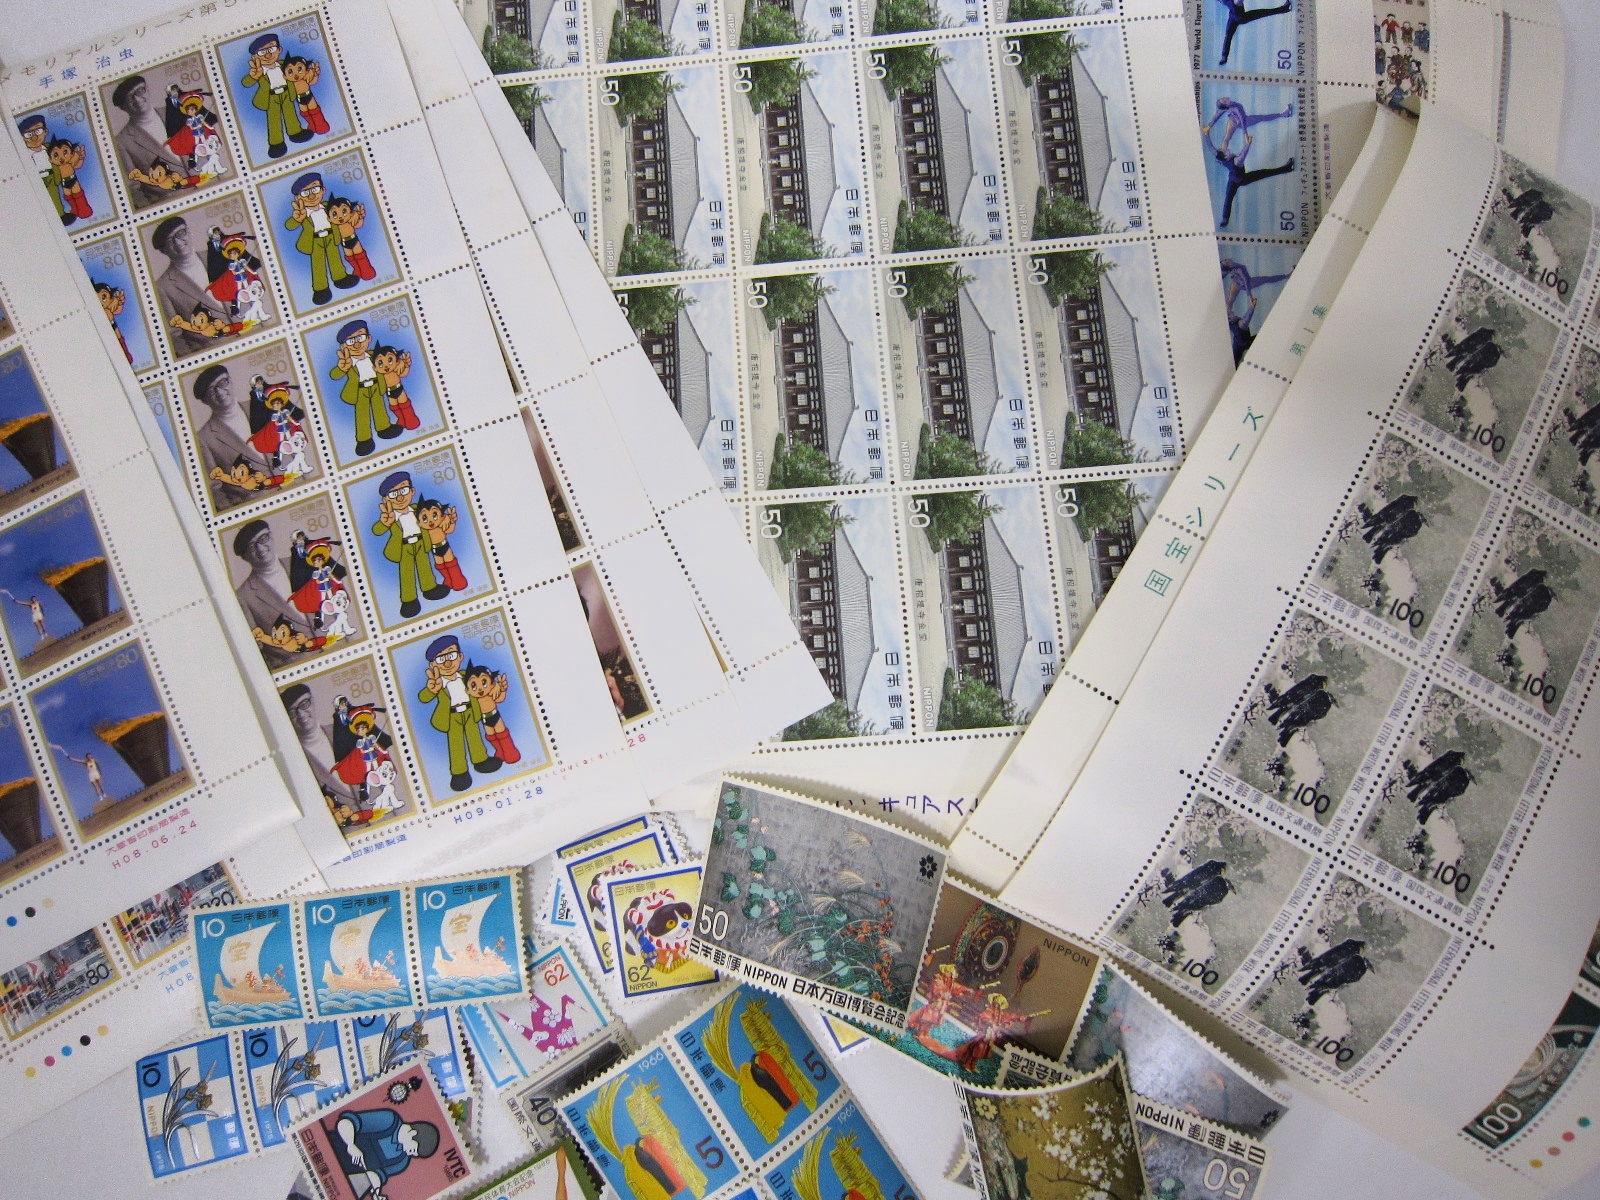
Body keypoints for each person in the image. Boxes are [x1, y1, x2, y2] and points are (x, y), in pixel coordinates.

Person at [418, 635, 501, 792]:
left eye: (451, 655)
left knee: (475, 737)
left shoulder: (465, 675)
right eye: (441, 659)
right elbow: (423, 698)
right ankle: (459, 773)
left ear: (460, 656)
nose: (447, 663)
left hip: (470, 711)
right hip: (451, 717)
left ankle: (481, 761)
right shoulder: (437, 683)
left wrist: (495, 685)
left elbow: (482, 680)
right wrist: (431, 690)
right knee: (456, 745)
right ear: (433, 665)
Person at [231, 519, 311, 669]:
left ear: (272, 536)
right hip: (300, 667)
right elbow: (257, 649)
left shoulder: (305, 562)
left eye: (263, 538)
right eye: (251, 547)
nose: (260, 548)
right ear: (244, 557)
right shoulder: (243, 596)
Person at [190, 364, 272, 510]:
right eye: (211, 391)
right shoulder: (203, 438)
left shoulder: (263, 405)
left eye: (223, 383)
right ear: (204, 401)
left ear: (231, 381)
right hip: (258, 505)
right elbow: (215, 489)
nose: (220, 392)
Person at [373, 471, 450, 618]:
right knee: (406, 573)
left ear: (412, 491)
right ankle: (409, 601)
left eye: (403, 490)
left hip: (421, 542)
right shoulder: (390, 516)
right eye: (393, 494)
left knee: (425, 566)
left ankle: (430, 588)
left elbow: (433, 513)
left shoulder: (417, 508)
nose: (400, 497)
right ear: (386, 500)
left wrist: (445, 518)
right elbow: (376, 530)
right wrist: (385, 523)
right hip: (403, 548)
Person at [108, 75, 190, 207]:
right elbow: (133, 189)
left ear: (148, 90)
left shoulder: (178, 111)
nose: (137, 99)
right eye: (129, 98)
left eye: (140, 91)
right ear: (123, 107)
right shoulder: (122, 141)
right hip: (172, 204)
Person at [150, 216, 228, 355]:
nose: (178, 242)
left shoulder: (220, 255)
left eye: (180, 233)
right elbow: (175, 336)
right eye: (169, 240)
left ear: (189, 232)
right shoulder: (163, 287)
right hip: (216, 351)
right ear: (163, 250)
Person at [330, 1106, 440, 1199]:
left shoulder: (402, 1161)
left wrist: (376, 1192)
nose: (412, 1155)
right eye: (414, 1150)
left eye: (415, 1155)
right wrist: (350, 1144)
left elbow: (376, 1175)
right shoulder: (389, 1120)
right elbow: (347, 1121)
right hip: (331, 1149)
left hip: (340, 1177)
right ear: (413, 1133)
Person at [285, 171, 360, 304]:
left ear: (323, 190)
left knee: (335, 258)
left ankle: (340, 278)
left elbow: (342, 212)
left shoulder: (328, 205)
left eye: (315, 189)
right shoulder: (301, 213)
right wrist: (297, 219)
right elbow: (289, 226)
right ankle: (321, 290)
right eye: (305, 192)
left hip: (331, 236)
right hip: (314, 241)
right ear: (298, 198)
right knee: (318, 265)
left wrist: (355, 215)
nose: (312, 195)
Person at [331, 321, 402, 454]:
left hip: (376, 386)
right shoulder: (347, 362)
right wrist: (342, 368)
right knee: (362, 415)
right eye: (350, 341)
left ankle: (384, 428)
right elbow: (334, 375)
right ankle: (364, 440)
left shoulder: (374, 354)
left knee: (380, 408)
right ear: (343, 346)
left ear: (369, 338)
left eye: (360, 337)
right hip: (359, 391)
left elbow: (387, 362)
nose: (357, 344)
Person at [281, 682, 356, 809]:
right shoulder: (293, 760)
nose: (301, 714)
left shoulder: (346, 731)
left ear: (313, 701)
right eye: (292, 712)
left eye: (304, 704)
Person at [241, 33, 314, 158]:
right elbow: (245, 83)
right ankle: (276, 144)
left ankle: (296, 133)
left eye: (271, 49)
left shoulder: (285, 64)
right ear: (255, 57)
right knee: (274, 120)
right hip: (271, 98)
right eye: (262, 52)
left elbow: (298, 70)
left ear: (279, 49)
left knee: (290, 114)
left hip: (286, 93)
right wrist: (253, 77)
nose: (268, 55)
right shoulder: (258, 71)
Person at [1214, 144, 1296, 228]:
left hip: (1233, 179)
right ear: (1225, 155)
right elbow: (1243, 154)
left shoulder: (1224, 159)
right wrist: (1248, 143)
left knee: (1228, 198)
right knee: (1265, 173)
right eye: (1224, 151)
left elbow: (1214, 147)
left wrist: (1207, 136)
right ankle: (1225, 219)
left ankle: (1287, 168)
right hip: (1242, 179)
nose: (1227, 150)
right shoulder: (1236, 161)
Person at [464, 662, 520, 765]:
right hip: (485, 719)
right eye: (473, 685)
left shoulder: (491, 694)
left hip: (495, 716)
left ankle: (510, 753)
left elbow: (500, 699)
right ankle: (500, 752)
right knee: (491, 736)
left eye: (484, 682)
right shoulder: (474, 701)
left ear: (492, 684)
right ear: (468, 690)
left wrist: (502, 689)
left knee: (502, 734)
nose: (480, 688)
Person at [1202, 97, 1294, 157]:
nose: (1225, 98)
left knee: (1227, 138)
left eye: (1223, 98)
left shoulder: (1227, 107)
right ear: (1226, 105)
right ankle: (1283, 114)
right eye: (1224, 100)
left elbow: (1217, 115)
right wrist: (1245, 134)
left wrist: (1209, 126)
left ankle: (1224, 151)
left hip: (1232, 121)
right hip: (1243, 121)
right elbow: (1242, 120)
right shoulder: (1236, 108)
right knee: (1262, 117)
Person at [1213, 0, 1293, 67]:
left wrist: (1224, 57)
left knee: (1263, 12)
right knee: (1263, 12)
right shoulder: (1234, 2)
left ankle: (1284, 9)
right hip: (1238, 17)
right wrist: (1224, 57)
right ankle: (1284, 9)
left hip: (1234, 17)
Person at [93, 281, 134, 365]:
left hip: (114, 328)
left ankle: (126, 357)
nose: (101, 302)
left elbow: (117, 310)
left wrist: (120, 302)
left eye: (104, 297)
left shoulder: (110, 307)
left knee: (120, 342)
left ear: (110, 298)